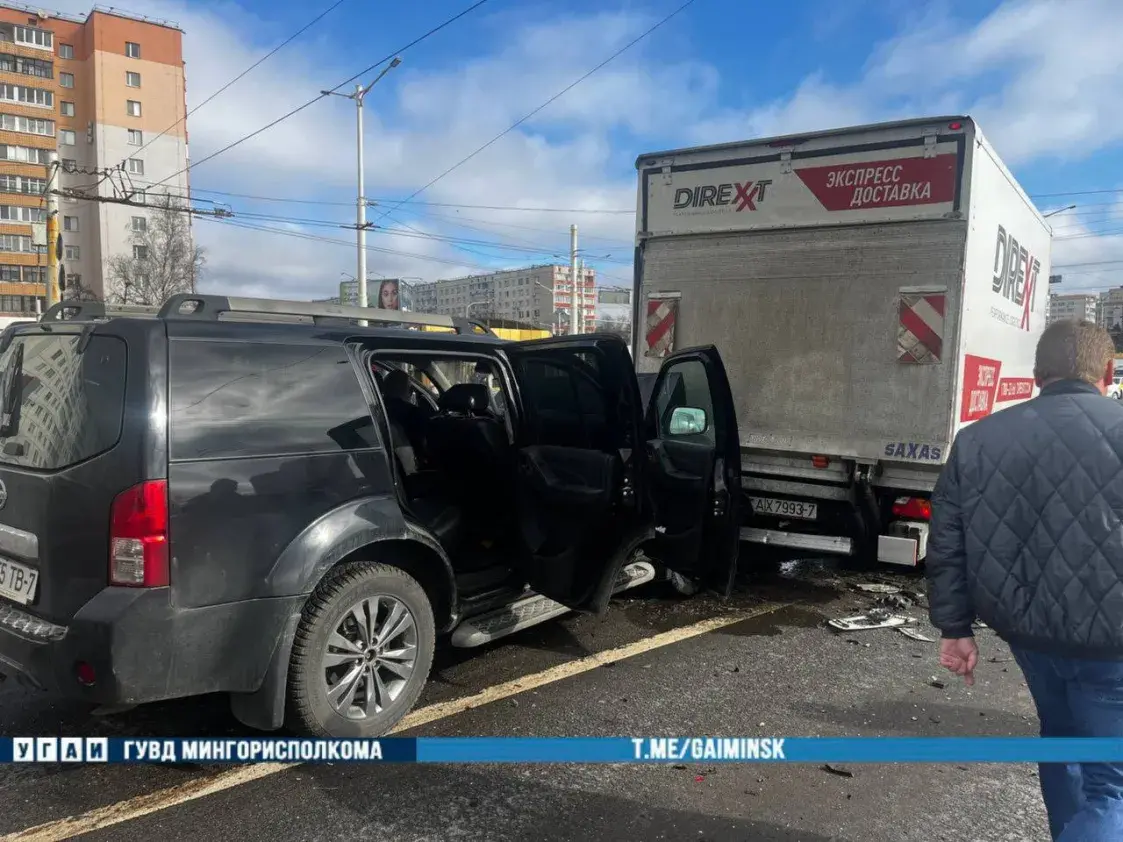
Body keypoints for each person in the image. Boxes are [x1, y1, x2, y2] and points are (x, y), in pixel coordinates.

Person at [927, 319, 1123, 842]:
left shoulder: (977, 441)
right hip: (1113, 647)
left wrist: (955, 628)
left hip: (1030, 638)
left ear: (1038, 374)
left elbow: (947, 541)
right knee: (1112, 787)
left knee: (1060, 741)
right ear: (1107, 370)